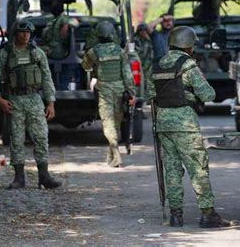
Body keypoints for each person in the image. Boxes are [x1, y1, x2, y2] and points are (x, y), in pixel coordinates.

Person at [149, 26, 230, 228]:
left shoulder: (157, 64)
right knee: (198, 168)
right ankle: (208, 214)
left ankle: (175, 216)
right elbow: (208, 95)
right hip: (185, 124)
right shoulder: (188, 64)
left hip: (163, 123)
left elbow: (152, 95)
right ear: (189, 46)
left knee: (172, 170)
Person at [0, 20, 62, 190]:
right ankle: (19, 178)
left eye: (29, 32)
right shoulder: (6, 53)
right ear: (16, 34)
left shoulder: (37, 53)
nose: (26, 35)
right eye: (22, 32)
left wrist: (50, 103)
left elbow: (47, 78)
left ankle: (44, 176)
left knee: (41, 137)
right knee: (17, 139)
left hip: (35, 100)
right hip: (14, 101)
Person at [81, 22, 136, 167]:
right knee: (116, 124)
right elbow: (127, 74)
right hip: (119, 91)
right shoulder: (119, 51)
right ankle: (112, 155)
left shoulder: (94, 52)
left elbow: (85, 66)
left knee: (108, 123)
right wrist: (132, 93)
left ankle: (115, 153)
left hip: (104, 91)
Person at [134, 23, 154, 98]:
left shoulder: (149, 39)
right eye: (141, 30)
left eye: (145, 30)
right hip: (138, 65)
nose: (143, 32)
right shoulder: (135, 40)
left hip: (147, 65)